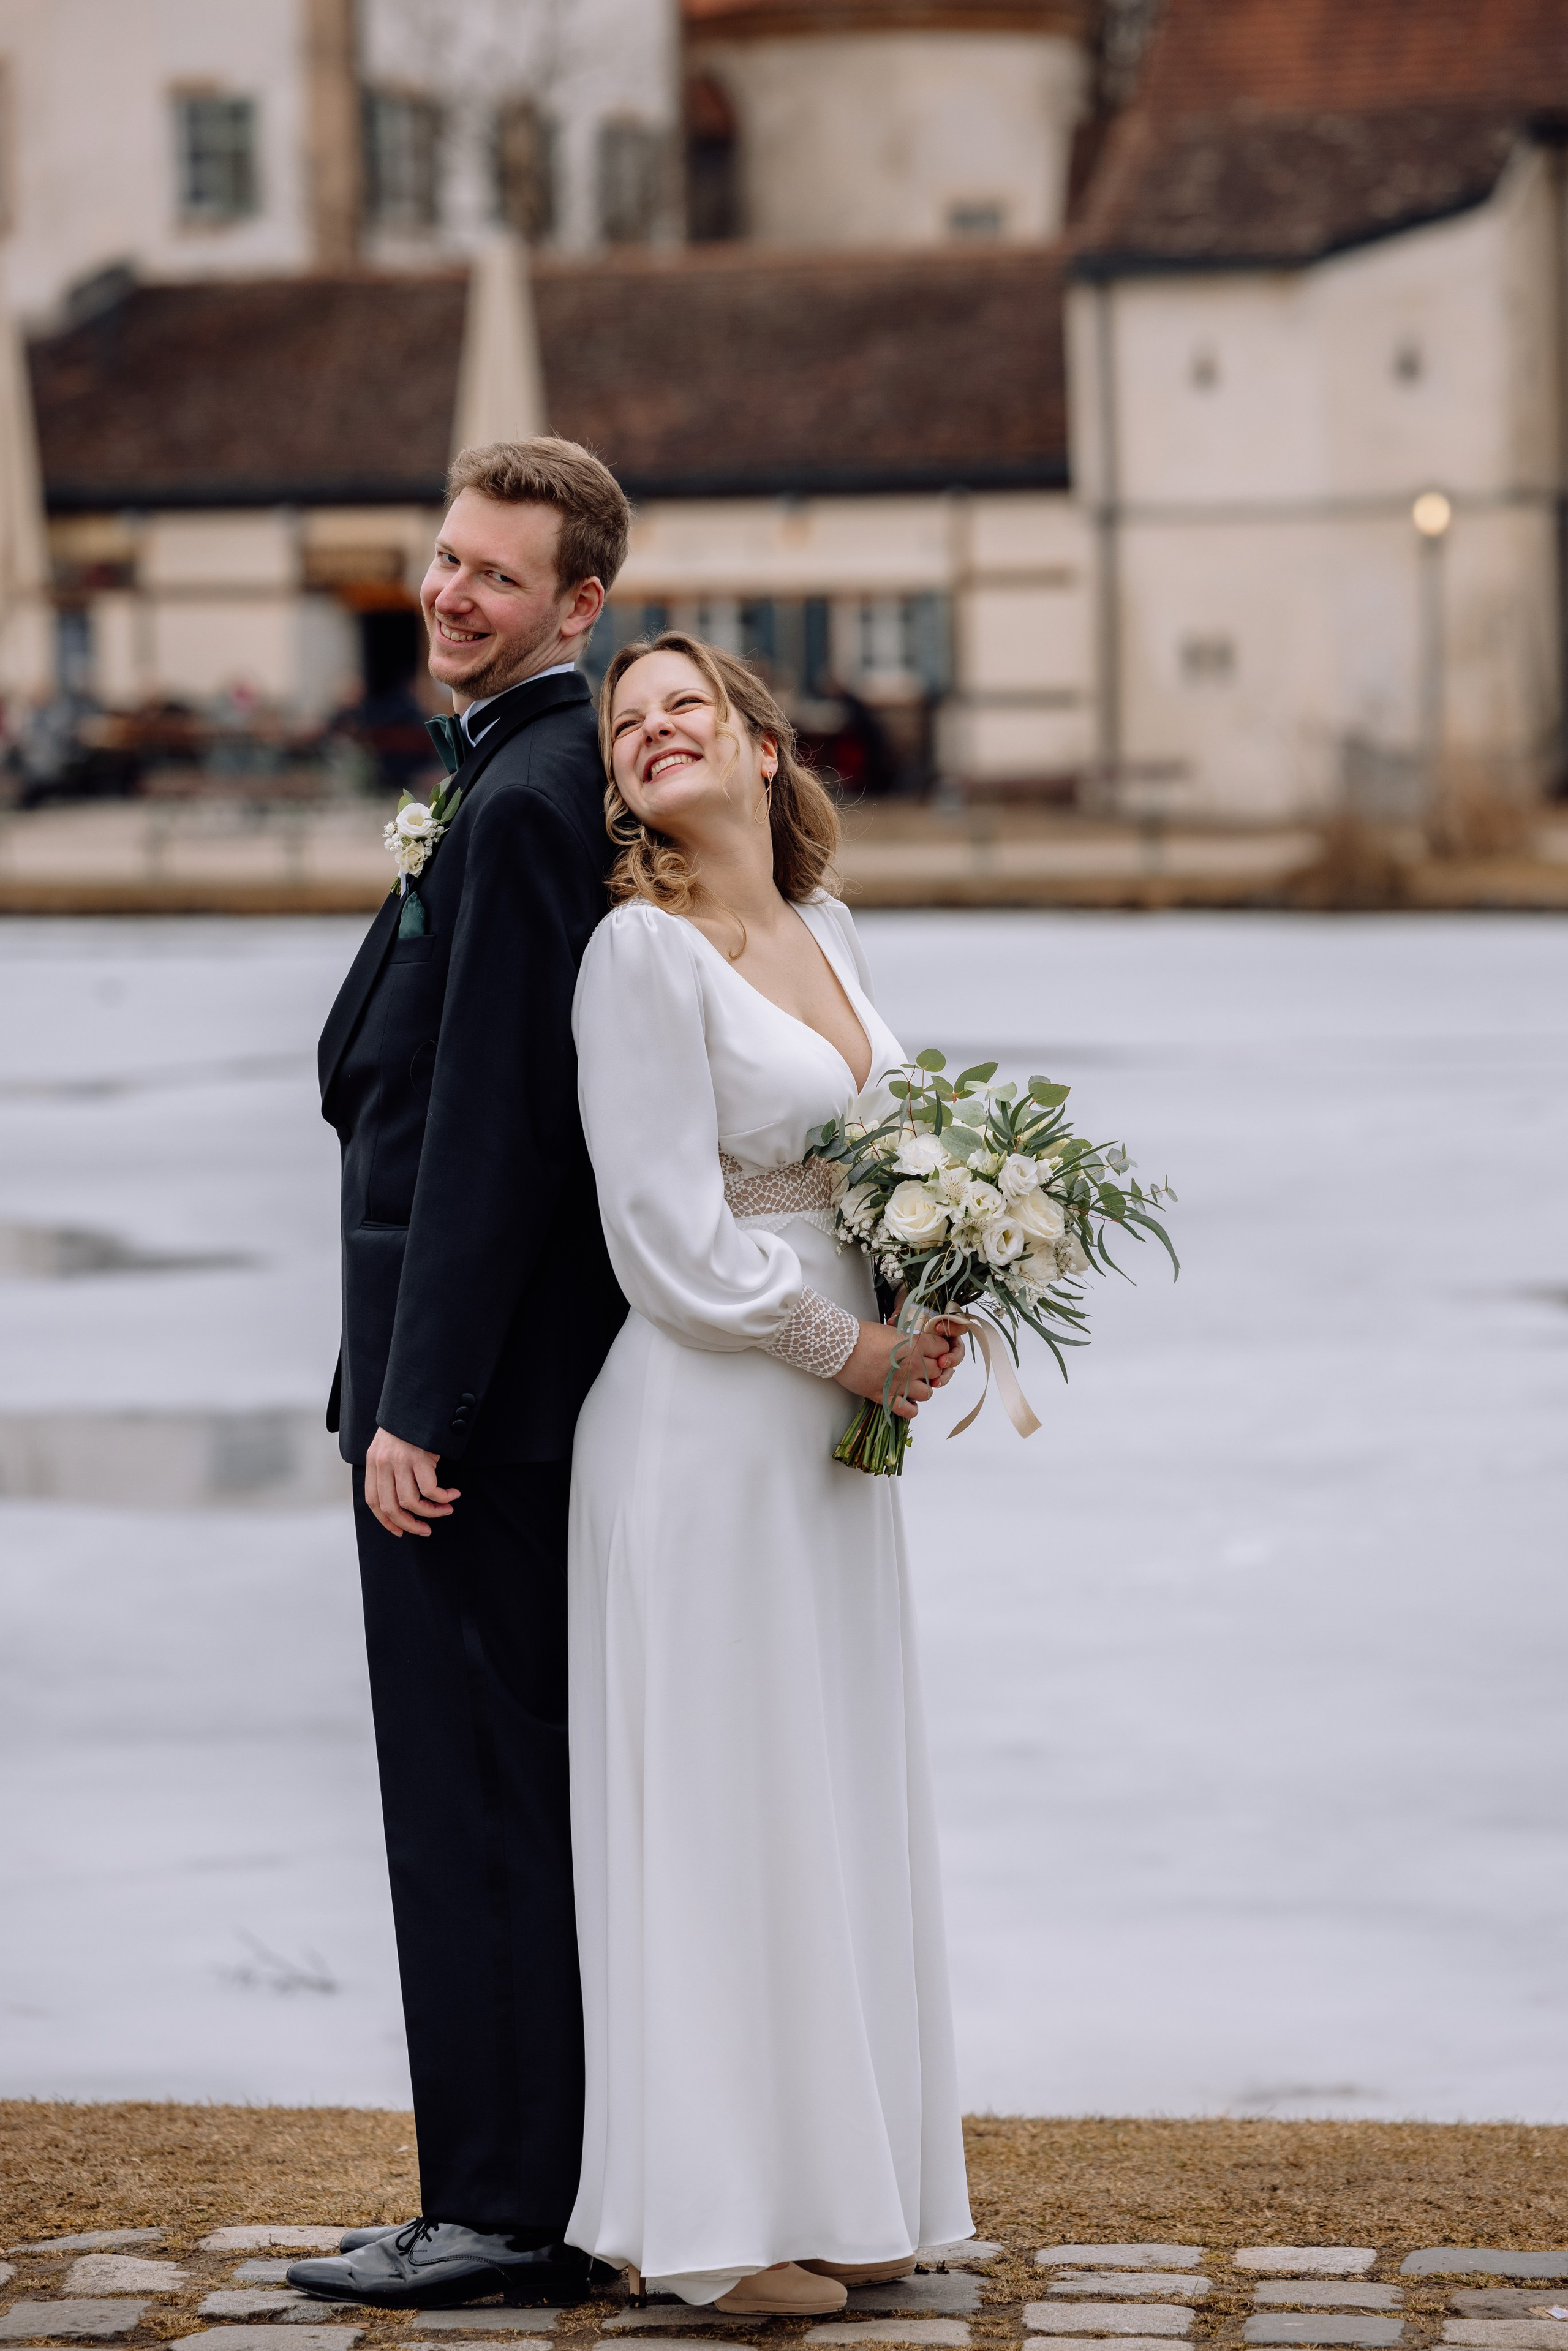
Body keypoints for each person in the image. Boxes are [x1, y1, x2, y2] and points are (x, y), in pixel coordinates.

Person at [565, 633, 974, 2316]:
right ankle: (715, 2228)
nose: (660, 732)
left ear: (756, 742)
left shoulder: (835, 932)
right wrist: (846, 1347)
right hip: (707, 1426)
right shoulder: (638, 957)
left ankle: (848, 2185)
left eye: (688, 708)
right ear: (626, 781)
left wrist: (942, 1291)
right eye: (629, 723)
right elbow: (661, 1234)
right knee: (727, 1805)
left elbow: (893, 1160)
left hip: (831, 1445)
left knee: (830, 1789)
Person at [292, 440, 630, 2313]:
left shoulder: (517, 804)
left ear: (580, 605)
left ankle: (505, 2210)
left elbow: (493, 1144)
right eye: (444, 561)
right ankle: (507, 2186)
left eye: (497, 577)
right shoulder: (513, 776)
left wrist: (415, 1406)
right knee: (489, 1793)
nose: (451, 595)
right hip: (473, 1385)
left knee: (474, 1797)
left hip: (471, 1412)